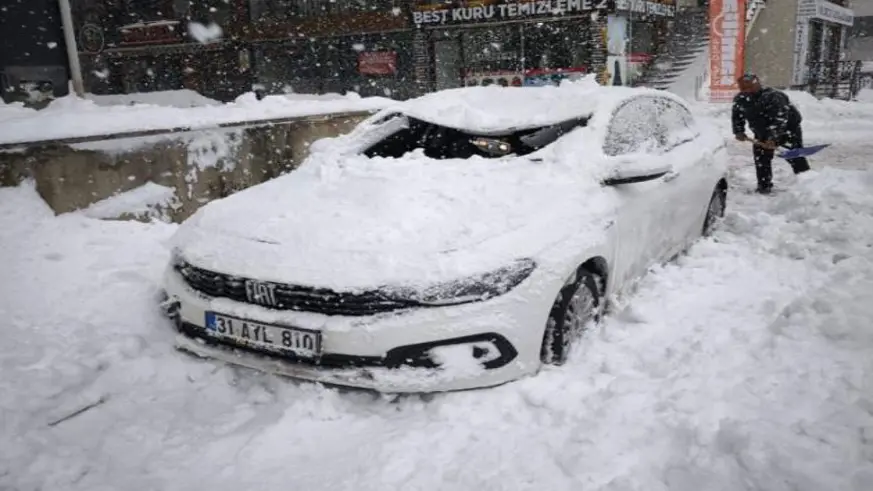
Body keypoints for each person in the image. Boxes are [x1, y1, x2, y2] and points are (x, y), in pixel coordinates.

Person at [732, 73, 810, 194]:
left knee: (794, 155)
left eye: (749, 87)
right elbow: (737, 116)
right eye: (743, 88)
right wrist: (738, 131)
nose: (747, 91)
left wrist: (772, 138)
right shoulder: (740, 99)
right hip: (761, 130)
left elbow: (780, 119)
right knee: (761, 158)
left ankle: (808, 183)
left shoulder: (774, 96)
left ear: (757, 84)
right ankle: (764, 186)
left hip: (788, 129)